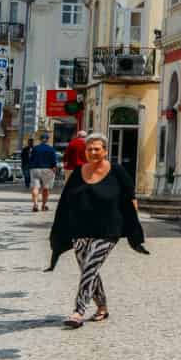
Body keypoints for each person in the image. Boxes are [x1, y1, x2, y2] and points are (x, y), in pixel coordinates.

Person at [46, 131, 148, 328]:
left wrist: (133, 225)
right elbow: (66, 201)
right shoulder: (78, 173)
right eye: (89, 149)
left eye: (97, 149)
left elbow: (131, 199)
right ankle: (102, 307)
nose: (93, 152)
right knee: (88, 270)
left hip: (109, 230)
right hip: (80, 230)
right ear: (85, 152)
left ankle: (78, 311)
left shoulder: (117, 171)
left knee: (90, 266)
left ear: (105, 151)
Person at [29, 138, 60, 212]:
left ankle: (35, 204)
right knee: (46, 188)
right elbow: (54, 160)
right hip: (48, 169)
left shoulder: (35, 148)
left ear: (40, 140)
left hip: (35, 169)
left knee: (35, 187)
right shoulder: (51, 149)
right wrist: (54, 168)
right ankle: (43, 205)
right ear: (47, 140)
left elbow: (31, 159)